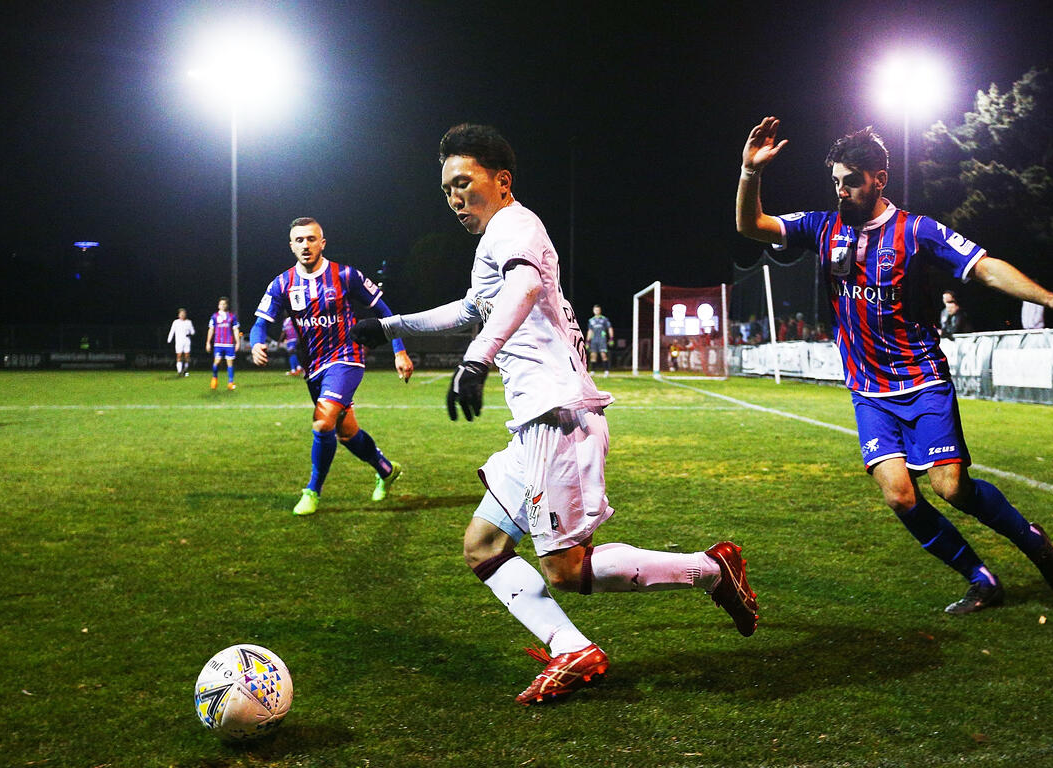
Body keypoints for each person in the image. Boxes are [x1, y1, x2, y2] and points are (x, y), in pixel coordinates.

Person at [351, 124, 758, 704]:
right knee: (483, 545)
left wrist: (476, 360)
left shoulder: (516, 225)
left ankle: (713, 570)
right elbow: (469, 309)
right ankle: (571, 649)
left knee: (565, 568)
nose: (454, 199)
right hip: (533, 424)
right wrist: (390, 326)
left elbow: (522, 286)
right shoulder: (494, 241)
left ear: (502, 181)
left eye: (463, 183)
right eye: (446, 190)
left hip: (557, 415)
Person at [736, 117, 1053, 614]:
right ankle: (980, 578)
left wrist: (1051, 298)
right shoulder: (822, 227)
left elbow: (985, 268)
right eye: (836, 182)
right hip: (868, 391)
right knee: (900, 497)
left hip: (922, 379)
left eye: (852, 181)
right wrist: (750, 172)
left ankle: (1033, 541)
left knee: (951, 488)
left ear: (879, 179)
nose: (842, 191)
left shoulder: (916, 231)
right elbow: (751, 225)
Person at [250, 217, 414, 515]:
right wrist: (256, 342)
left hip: (347, 357)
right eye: (299, 240)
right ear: (291, 245)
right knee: (346, 432)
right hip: (314, 366)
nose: (306, 245)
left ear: (322, 243)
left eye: (311, 239)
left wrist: (399, 350)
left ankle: (312, 491)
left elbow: (385, 311)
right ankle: (386, 470)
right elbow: (260, 323)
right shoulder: (282, 283)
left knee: (323, 422)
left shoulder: (346, 275)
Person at [206, 297, 241, 390]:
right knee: (217, 362)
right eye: (221, 304)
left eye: (224, 304)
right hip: (218, 343)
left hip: (229, 343)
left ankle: (230, 382)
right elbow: (211, 329)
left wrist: (237, 342)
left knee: (230, 363)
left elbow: (235, 330)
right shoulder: (214, 316)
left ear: (227, 305)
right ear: (218, 306)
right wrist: (208, 342)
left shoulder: (232, 316)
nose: (222, 305)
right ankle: (214, 378)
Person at [586, 304, 614, 377]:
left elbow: (610, 328)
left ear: (600, 311)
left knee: (603, 354)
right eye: (595, 310)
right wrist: (587, 341)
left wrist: (611, 338)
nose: (597, 311)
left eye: (598, 310)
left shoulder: (604, 319)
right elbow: (590, 331)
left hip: (602, 339)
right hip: (594, 340)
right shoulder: (591, 320)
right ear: (593, 311)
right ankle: (592, 371)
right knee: (593, 355)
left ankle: (606, 371)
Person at [167, 308, 195, 377]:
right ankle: (179, 371)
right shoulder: (176, 322)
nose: (182, 315)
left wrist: (190, 334)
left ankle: (186, 370)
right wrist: (169, 339)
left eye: (183, 314)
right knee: (179, 355)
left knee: (187, 356)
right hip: (179, 342)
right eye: (181, 314)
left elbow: (193, 331)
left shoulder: (189, 322)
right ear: (178, 315)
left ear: (185, 315)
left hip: (187, 341)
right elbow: (172, 331)